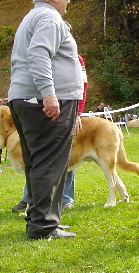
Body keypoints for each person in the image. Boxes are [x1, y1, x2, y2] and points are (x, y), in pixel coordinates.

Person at [8, 0, 83, 240]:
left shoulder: (33, 17)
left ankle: (42, 220)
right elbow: (39, 54)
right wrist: (49, 94)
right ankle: (43, 226)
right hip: (44, 101)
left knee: (38, 162)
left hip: (25, 99)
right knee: (49, 163)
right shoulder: (50, 19)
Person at [12, 54, 88, 212]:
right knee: (36, 156)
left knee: (63, 154)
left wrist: (77, 113)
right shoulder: (40, 56)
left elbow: (82, 85)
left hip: (65, 107)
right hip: (40, 108)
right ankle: (29, 198)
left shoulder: (76, 59)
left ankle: (65, 198)